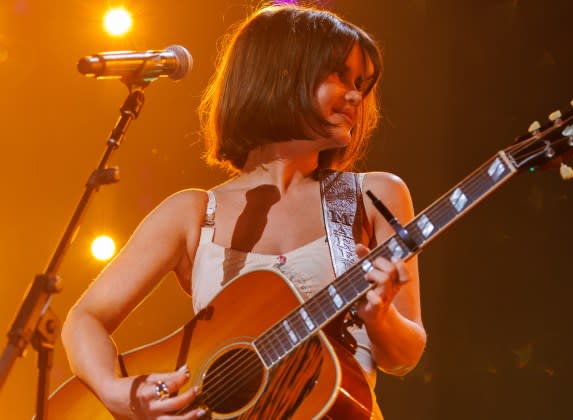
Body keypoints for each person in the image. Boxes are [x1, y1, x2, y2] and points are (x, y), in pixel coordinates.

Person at [61, 3, 427, 419]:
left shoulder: (372, 197)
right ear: (280, 74)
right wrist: (117, 393)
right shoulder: (194, 212)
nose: (356, 95)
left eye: (360, 82)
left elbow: (404, 355)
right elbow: (84, 318)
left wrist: (379, 316)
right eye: (339, 76)